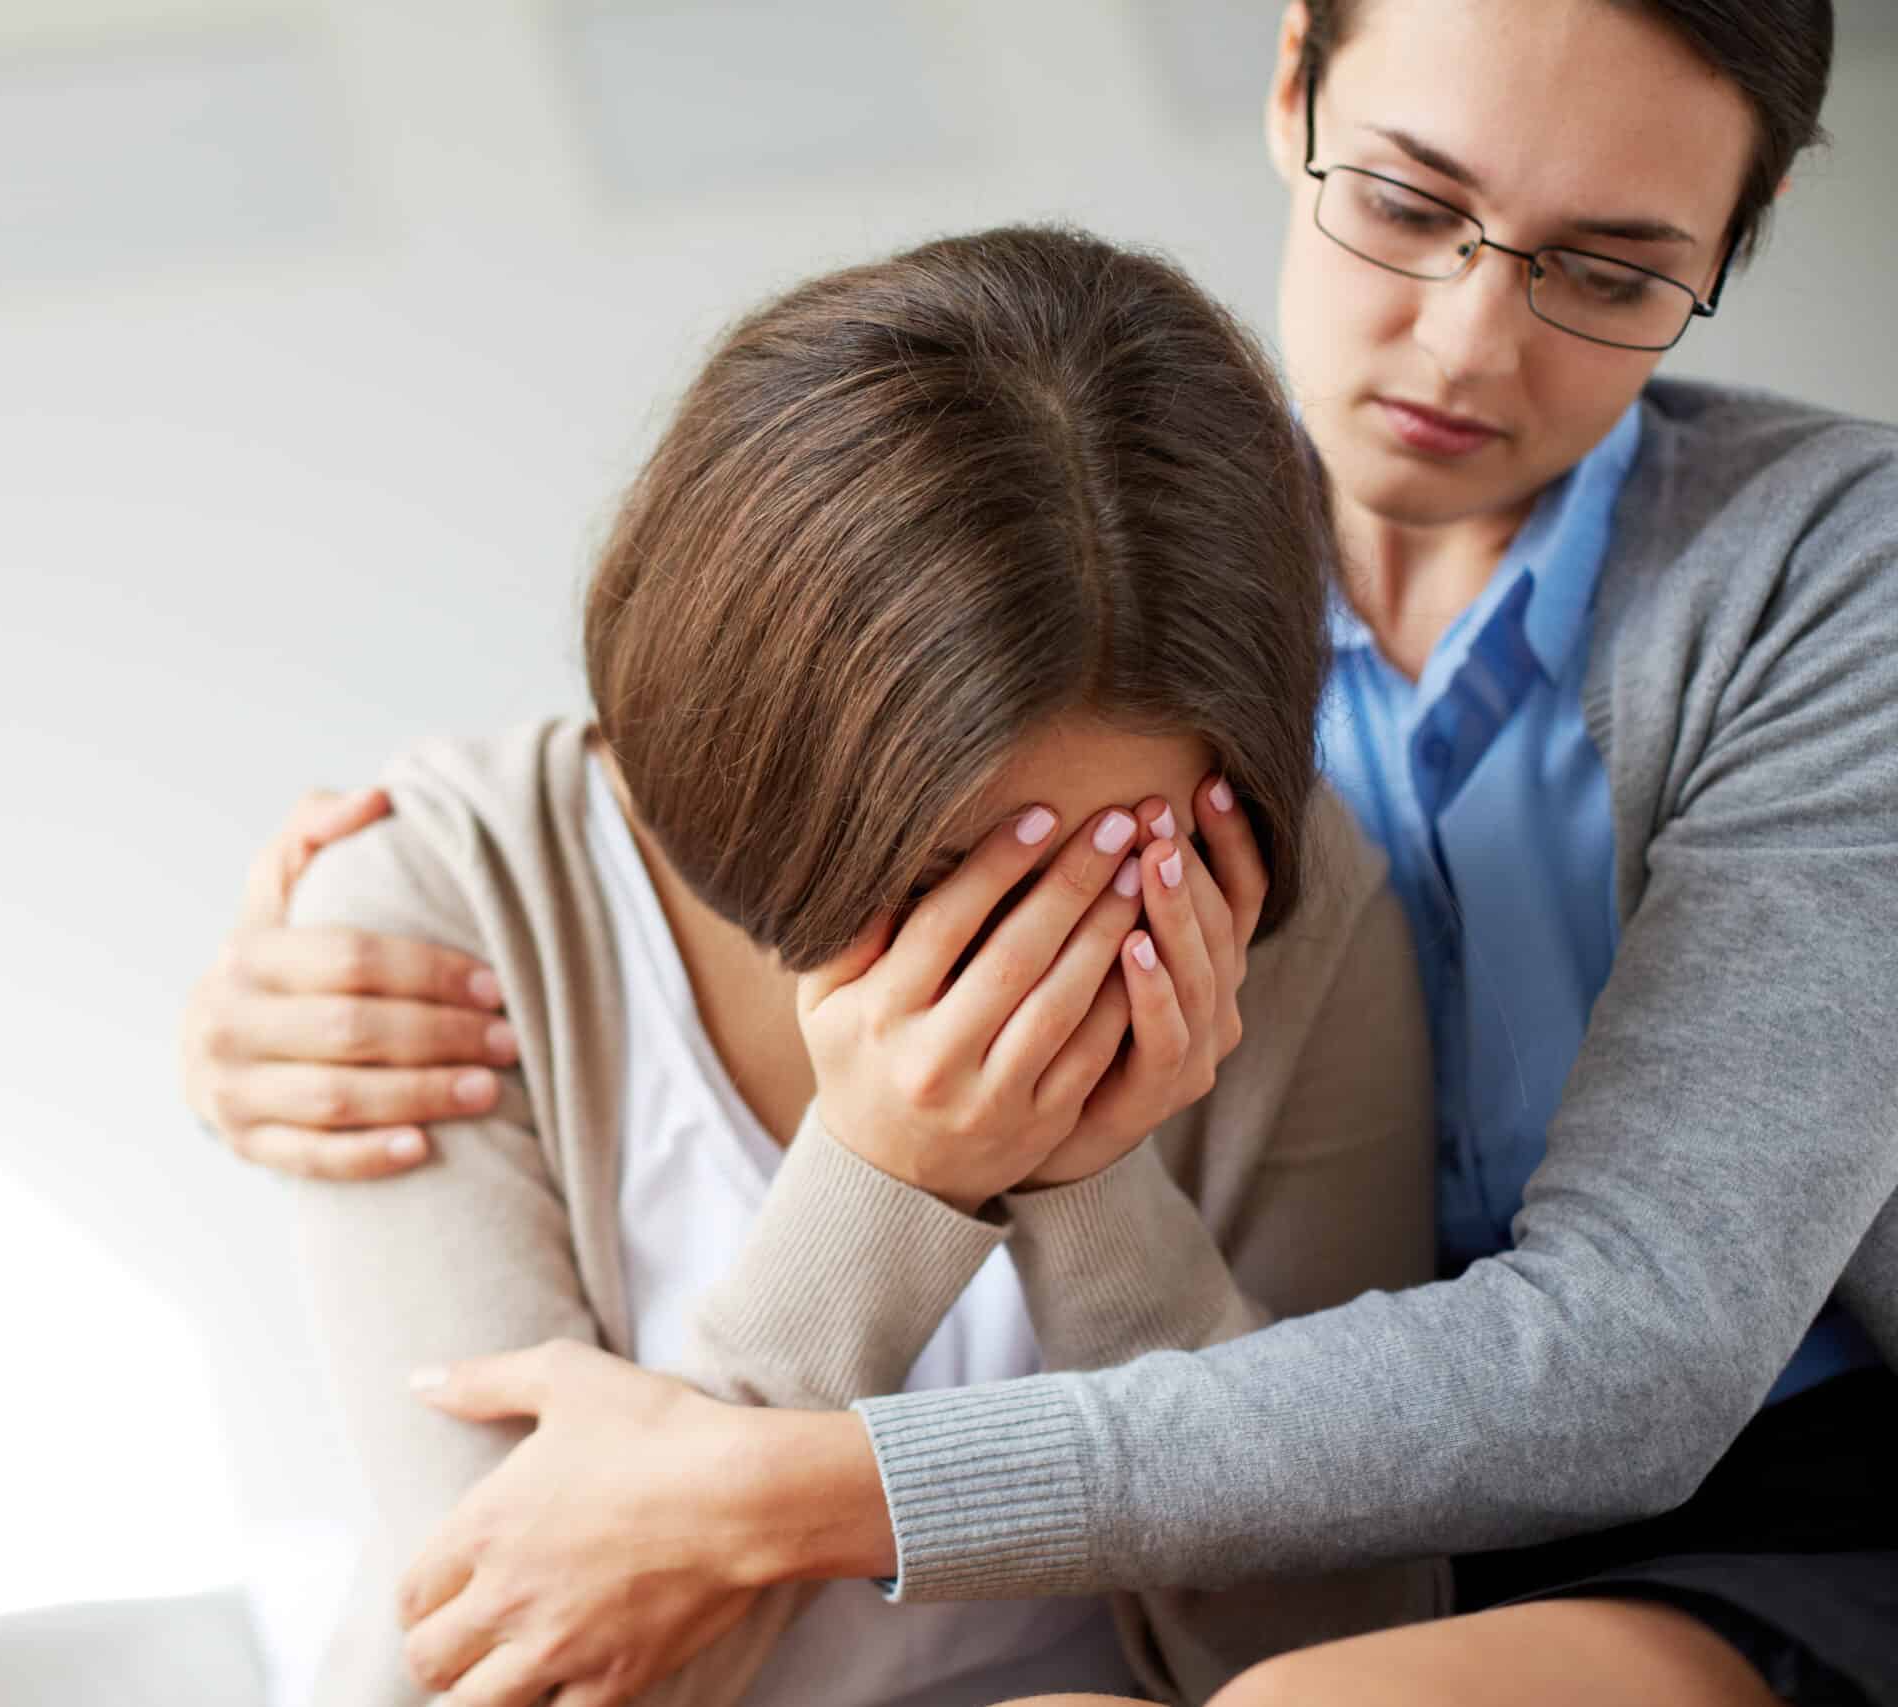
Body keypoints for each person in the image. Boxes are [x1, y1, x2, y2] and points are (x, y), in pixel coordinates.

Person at [192, 0, 1898, 1702]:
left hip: (1755, 1486)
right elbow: (518, 1633)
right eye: (1400, 201)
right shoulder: (1106, 555)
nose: (1464, 347)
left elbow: (1621, 1361)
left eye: (1608, 272)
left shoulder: (1779, 600)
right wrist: (242, 1030)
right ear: (1293, 79)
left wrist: (956, 1264)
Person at [276, 224, 1441, 1707]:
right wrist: (891, 1181)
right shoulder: (440, 899)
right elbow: (515, 1665)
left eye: (1108, 879)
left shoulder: (1286, 897)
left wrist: (1088, 1180)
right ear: (760, 744)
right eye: (964, 873)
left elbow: (1340, 1654)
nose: (1031, 963)